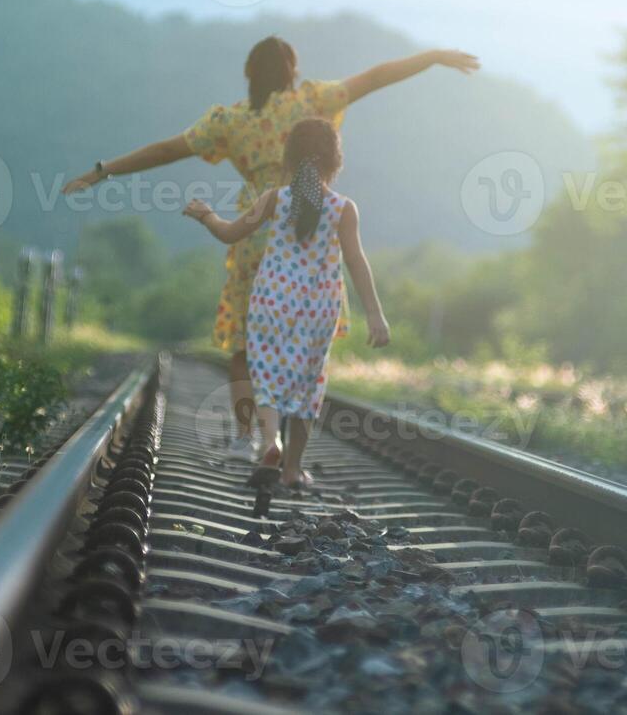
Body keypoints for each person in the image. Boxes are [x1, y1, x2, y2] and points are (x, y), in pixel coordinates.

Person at [63, 36, 476, 458]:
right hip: (313, 233)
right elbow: (375, 77)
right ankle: (291, 457)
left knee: (247, 347)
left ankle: (251, 437)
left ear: (249, 76)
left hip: (257, 234)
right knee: (307, 352)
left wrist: (101, 172)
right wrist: (434, 58)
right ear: (293, 72)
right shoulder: (315, 99)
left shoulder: (230, 121)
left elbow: (168, 149)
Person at [184, 118, 387, 487]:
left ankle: (270, 440)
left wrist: (205, 215)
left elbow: (230, 232)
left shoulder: (274, 199)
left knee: (266, 377)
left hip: (271, 302)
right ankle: (293, 470)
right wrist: (375, 314)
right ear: (335, 162)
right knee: (308, 382)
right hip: (319, 308)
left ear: (288, 159)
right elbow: (357, 262)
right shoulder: (344, 208)